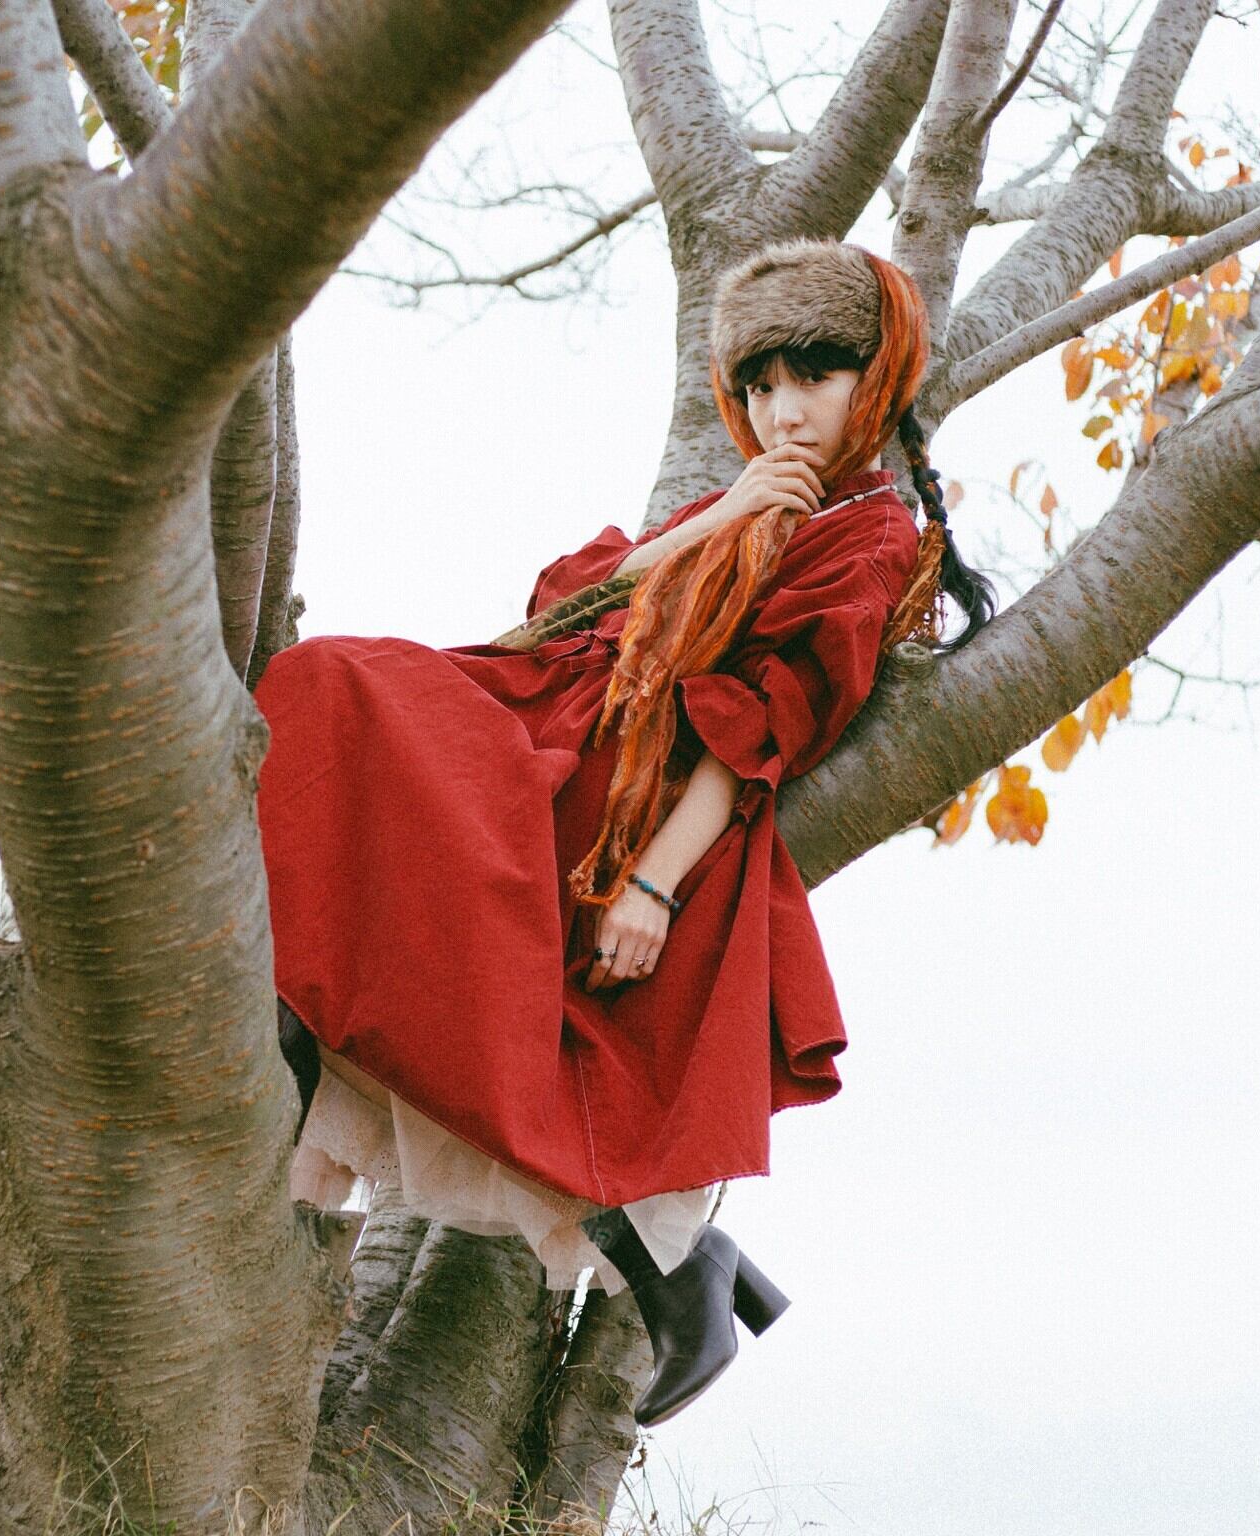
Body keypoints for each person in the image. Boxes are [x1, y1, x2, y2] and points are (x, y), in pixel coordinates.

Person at [253, 238, 996, 1426]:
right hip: (550, 717)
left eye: (811, 375)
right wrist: (725, 515)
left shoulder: (867, 538)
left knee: (340, 718)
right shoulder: (745, 499)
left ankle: (671, 1271)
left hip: (623, 792)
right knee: (322, 702)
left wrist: (651, 884)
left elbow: (759, 727)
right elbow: (564, 611)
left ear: (877, 377)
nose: (782, 411)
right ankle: (668, 1264)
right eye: (757, 385)